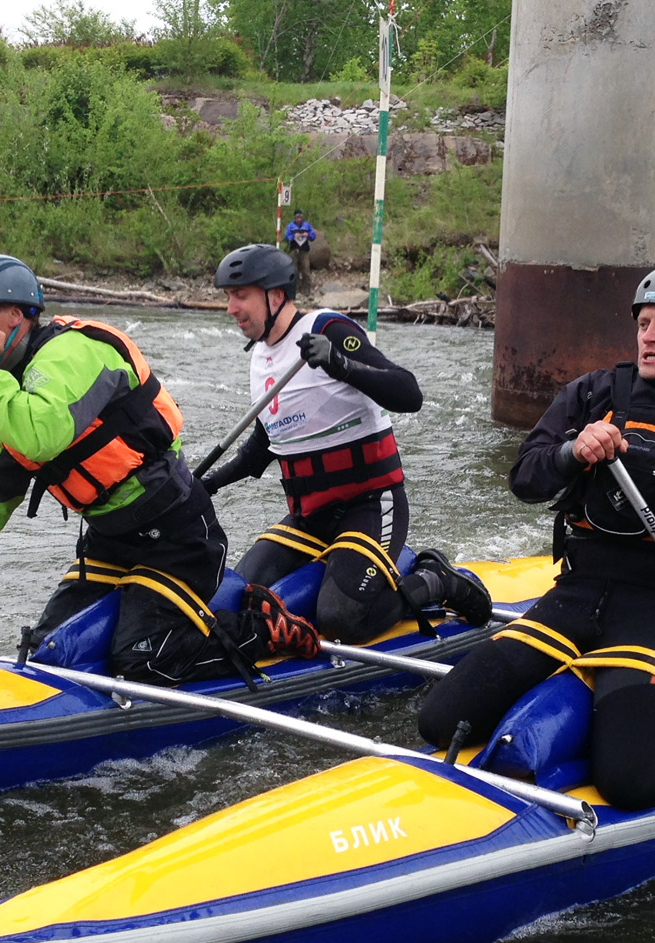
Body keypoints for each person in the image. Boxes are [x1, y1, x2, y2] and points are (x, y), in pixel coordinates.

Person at [416, 263, 655, 812]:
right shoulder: (593, 394)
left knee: (630, 783)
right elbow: (525, 478)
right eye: (644, 322)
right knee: (439, 720)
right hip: (577, 592)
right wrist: (572, 452)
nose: (649, 335)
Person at [0, 253, 319, 683]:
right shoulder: (2, 395)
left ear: (14, 316)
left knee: (143, 659)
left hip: (180, 540)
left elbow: (40, 433)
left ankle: (260, 627)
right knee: (50, 651)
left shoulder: (71, 356)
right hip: (111, 543)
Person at [200, 243, 490, 643]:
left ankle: (435, 580)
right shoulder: (262, 358)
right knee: (238, 596)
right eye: (228, 297)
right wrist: (207, 484)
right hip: (311, 517)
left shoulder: (328, 330)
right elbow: (266, 444)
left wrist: (340, 363)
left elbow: (410, 393)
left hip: (370, 504)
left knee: (341, 620)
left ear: (276, 296)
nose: (230, 307)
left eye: (240, 295)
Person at [282, 214, 317, 293]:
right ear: (295, 218)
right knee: (294, 270)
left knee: (306, 270)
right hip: (294, 250)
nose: (299, 219)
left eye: (300, 217)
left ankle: (307, 288)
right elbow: (286, 237)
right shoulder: (290, 226)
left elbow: (313, 236)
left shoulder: (307, 225)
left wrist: (308, 235)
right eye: (297, 218)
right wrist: (293, 236)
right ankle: (295, 288)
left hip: (304, 251)